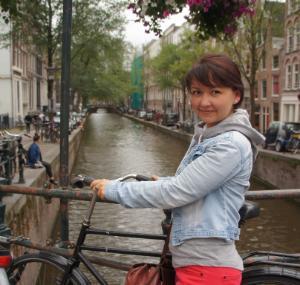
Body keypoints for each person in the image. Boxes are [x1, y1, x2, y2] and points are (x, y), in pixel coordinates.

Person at [90, 54, 265, 285]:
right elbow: (194, 184)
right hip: (196, 265)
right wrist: (160, 181)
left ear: (236, 95)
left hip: (206, 271)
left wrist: (114, 190)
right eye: (197, 92)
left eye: (215, 92)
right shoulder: (208, 134)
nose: (204, 102)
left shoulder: (229, 143)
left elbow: (177, 192)